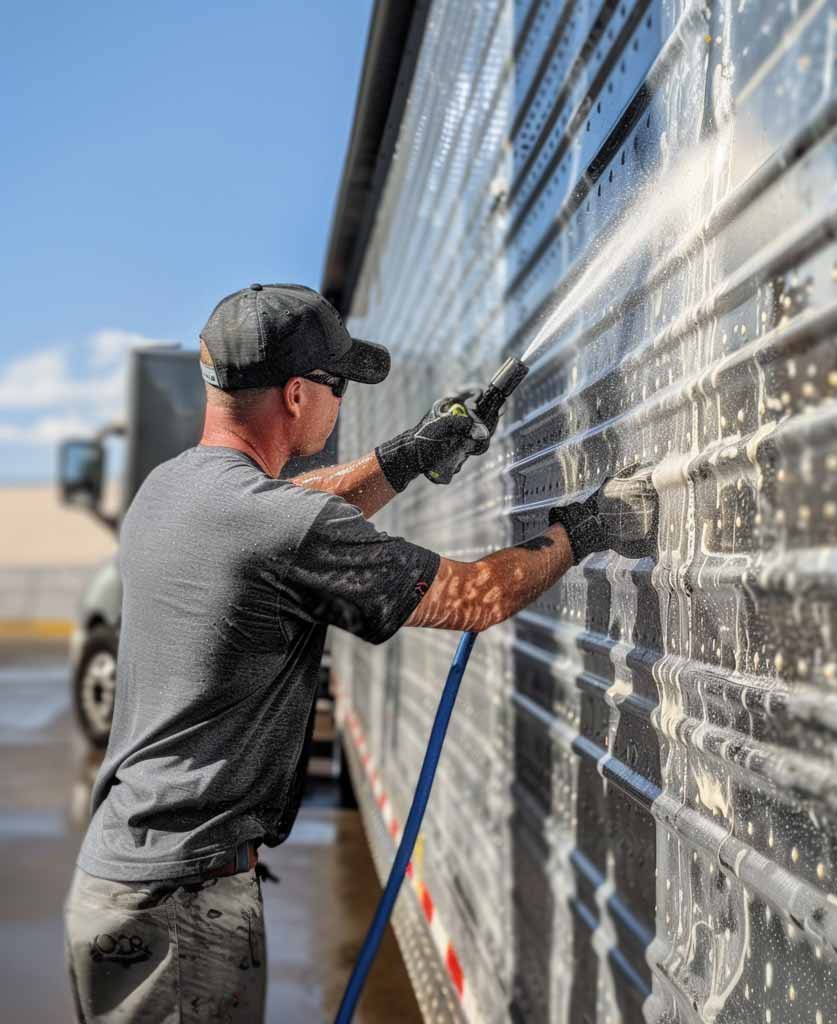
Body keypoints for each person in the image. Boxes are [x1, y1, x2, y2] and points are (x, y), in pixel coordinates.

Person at [62, 283, 657, 1022]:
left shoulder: (168, 491)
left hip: (118, 884)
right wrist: (582, 529)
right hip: (181, 912)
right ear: (296, 395)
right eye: (337, 385)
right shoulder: (277, 525)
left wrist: (409, 455)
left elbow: (300, 509)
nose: (341, 400)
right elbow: (476, 596)